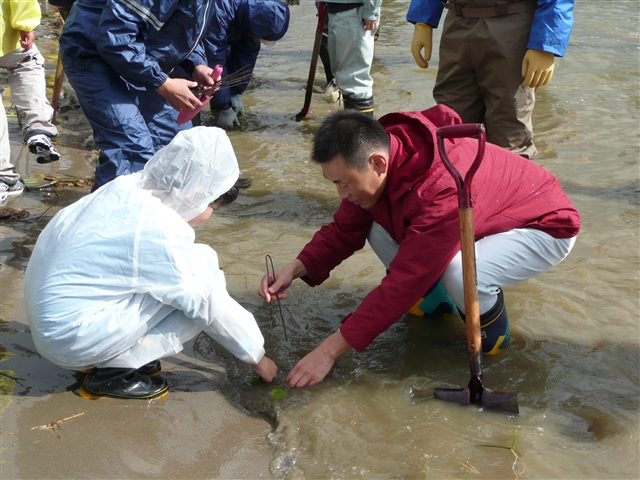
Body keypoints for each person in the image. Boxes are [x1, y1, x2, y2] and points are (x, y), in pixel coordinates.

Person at [259, 106, 580, 388]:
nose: (342, 193)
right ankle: (435, 306)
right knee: (376, 225)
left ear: (378, 163)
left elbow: (404, 282)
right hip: (481, 221)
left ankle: (495, 340)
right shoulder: (374, 171)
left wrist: (328, 351)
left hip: (542, 226)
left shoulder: (440, 189)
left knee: (460, 273)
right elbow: (344, 231)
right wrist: (295, 268)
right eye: (335, 183)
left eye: (345, 183)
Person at [24, 127, 278, 400]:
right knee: (202, 282)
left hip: (56, 324)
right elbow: (205, 300)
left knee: (192, 268)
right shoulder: (156, 227)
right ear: (196, 192)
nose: (207, 216)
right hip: (69, 339)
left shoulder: (127, 187)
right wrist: (258, 358)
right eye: (211, 207)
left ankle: (118, 356)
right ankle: (113, 373)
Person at [59, 0, 221, 189]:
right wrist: (163, 83)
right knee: (132, 147)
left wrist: (196, 64)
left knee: (177, 146)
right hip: (92, 54)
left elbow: (185, 30)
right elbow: (116, 37)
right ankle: (112, 215)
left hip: (141, 57)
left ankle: (158, 213)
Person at [407, 0, 575, 159]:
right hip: (458, 21)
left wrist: (546, 42)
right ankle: (458, 185)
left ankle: (507, 184)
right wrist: (423, 19)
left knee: (508, 125)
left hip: (512, 23)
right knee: (452, 121)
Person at [0, 0, 60, 197]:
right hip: (4, 33)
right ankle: (37, 127)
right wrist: (26, 24)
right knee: (26, 61)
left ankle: (3, 176)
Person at [203, 0, 290, 129]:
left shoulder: (255, 19)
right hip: (200, 36)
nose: (257, 40)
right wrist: (224, 107)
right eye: (257, 38)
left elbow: (246, 56)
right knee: (202, 74)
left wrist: (236, 92)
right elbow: (214, 59)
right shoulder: (221, 12)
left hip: (230, 30)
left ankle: (222, 119)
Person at [323, 0, 381, 116]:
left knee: (355, 81)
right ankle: (352, 128)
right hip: (336, 9)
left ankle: (361, 132)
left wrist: (371, 10)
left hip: (354, 10)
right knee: (343, 77)